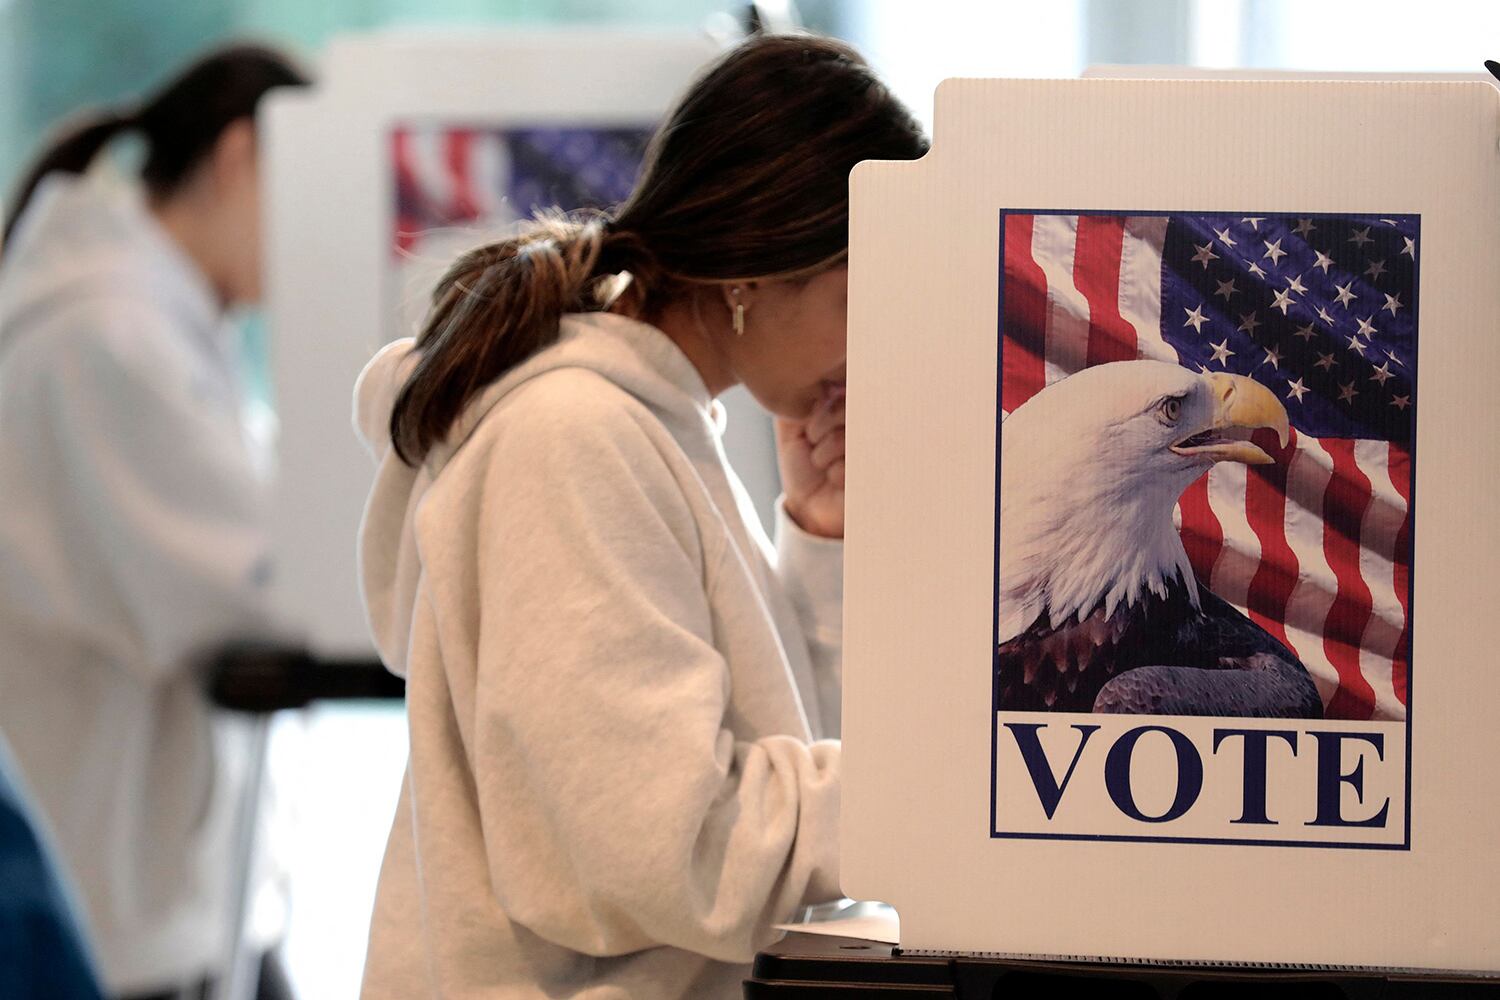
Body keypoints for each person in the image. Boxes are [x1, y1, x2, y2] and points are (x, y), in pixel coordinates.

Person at [352, 32, 927, 999]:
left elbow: (767, 760)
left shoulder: (654, 425)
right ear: (752, 267)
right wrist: (949, 797)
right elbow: (665, 854)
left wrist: (818, 539)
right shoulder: (572, 438)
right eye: (862, 293)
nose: (880, 341)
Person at [0, 44, 308, 999]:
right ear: (240, 157)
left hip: (153, 884)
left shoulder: (154, 319)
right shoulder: (110, 334)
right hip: (109, 896)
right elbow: (258, 579)